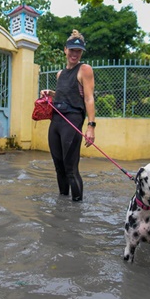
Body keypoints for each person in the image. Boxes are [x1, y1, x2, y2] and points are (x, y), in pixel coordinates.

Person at [40, 29, 96, 201]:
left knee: (70, 167)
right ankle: (63, 203)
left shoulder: (84, 69)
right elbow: (68, 93)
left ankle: (77, 207)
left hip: (72, 120)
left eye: (78, 51)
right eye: (72, 50)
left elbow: (88, 97)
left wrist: (91, 126)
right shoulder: (60, 74)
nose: (75, 54)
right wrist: (51, 93)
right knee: (59, 166)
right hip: (56, 120)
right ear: (65, 50)